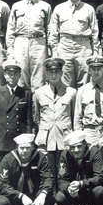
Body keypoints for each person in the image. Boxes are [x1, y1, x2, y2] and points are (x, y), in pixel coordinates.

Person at [33, 57, 77, 193]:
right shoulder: (38, 93)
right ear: (46, 73)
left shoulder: (71, 92)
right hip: (46, 140)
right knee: (48, 173)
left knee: (64, 173)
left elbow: (75, 115)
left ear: (61, 72)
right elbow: (36, 117)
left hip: (64, 139)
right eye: (50, 72)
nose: (53, 75)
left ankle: (64, 201)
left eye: (57, 71)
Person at [0, 134, 54, 205]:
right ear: (17, 147)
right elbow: (1, 184)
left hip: (35, 197)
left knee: (49, 194)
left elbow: (48, 179)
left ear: (33, 147)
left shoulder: (40, 157)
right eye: (22, 148)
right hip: (16, 196)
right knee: (0, 202)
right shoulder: (8, 159)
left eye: (27, 148)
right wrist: (21, 196)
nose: (25, 151)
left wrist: (42, 195)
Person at [49, 0, 100, 89]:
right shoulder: (59, 8)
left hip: (83, 48)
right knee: (65, 82)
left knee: (85, 82)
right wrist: (54, 51)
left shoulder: (89, 9)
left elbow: (95, 32)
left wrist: (95, 51)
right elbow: (53, 32)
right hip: (65, 47)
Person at [6, 0, 52, 92]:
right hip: (20, 42)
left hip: (39, 43)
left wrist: (50, 48)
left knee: (39, 77)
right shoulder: (16, 6)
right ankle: (23, 107)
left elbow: (49, 29)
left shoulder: (45, 6)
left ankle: (37, 108)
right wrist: (10, 49)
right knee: (21, 76)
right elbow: (10, 29)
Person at [55, 131, 103, 205]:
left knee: (100, 191)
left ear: (85, 144)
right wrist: (68, 188)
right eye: (72, 147)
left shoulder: (94, 151)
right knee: (59, 197)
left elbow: (99, 177)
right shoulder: (64, 155)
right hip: (73, 192)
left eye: (79, 146)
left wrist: (82, 183)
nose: (76, 150)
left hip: (89, 190)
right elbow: (61, 178)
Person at [0, 59, 33, 165]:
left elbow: (29, 120)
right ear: (5, 75)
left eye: (15, 73)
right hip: (1, 140)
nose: (12, 76)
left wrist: (28, 140)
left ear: (19, 75)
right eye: (9, 73)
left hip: (19, 141)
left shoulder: (26, 93)